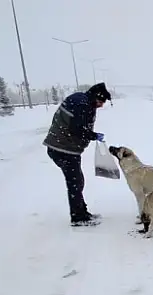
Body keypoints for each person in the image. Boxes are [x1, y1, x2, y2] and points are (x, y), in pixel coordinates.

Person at [42, 82, 112, 227]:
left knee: (77, 181)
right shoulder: (82, 104)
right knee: (75, 182)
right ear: (95, 96)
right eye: (100, 101)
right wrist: (93, 136)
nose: (101, 105)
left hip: (65, 148)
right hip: (62, 149)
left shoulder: (83, 101)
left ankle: (81, 212)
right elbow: (77, 129)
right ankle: (78, 217)